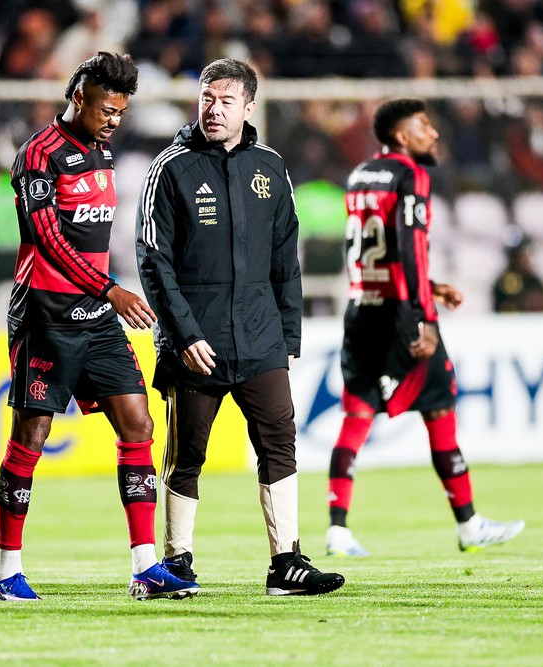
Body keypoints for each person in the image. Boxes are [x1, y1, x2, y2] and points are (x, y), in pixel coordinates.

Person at [0, 52, 199, 602]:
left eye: (121, 112)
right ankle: (7, 572)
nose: (114, 121)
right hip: (46, 315)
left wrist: (105, 294)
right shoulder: (38, 155)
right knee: (31, 437)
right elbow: (49, 241)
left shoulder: (102, 151)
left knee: (138, 423)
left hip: (97, 318)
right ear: (79, 97)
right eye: (108, 110)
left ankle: (145, 566)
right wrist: (110, 288)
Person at [136, 58, 345, 596]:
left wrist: (289, 336)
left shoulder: (270, 167)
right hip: (196, 343)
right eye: (207, 98)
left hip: (261, 338)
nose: (214, 109)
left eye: (226, 100)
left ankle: (286, 564)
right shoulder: (170, 168)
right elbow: (153, 260)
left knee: (280, 442)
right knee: (187, 454)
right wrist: (183, 334)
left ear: (248, 107)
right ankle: (177, 561)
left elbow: (285, 259)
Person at [326, 98, 525, 557]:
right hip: (402, 316)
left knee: (357, 415)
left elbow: (374, 251)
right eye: (424, 126)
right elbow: (408, 246)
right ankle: (469, 525)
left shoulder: (360, 175)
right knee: (440, 409)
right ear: (401, 136)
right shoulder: (410, 174)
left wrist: (432, 286)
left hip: (361, 310)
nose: (434, 134)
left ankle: (337, 529)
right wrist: (422, 315)